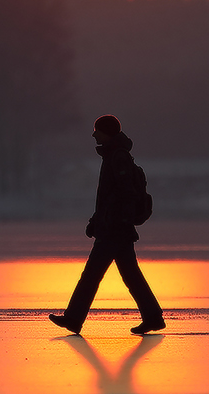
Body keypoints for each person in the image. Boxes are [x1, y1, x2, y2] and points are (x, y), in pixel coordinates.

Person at [50, 115, 165, 335]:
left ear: (108, 132)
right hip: (114, 227)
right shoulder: (113, 155)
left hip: (115, 229)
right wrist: (96, 221)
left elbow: (125, 194)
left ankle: (73, 318)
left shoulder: (118, 157)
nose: (94, 134)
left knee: (92, 274)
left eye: (98, 130)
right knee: (130, 275)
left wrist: (118, 222)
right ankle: (153, 318)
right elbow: (108, 197)